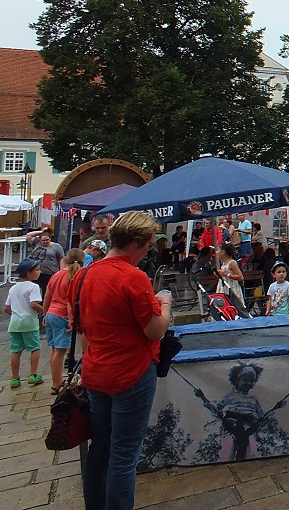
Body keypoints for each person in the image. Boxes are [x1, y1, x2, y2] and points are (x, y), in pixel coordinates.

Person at [70, 210, 171, 510]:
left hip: (96, 371)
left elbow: (82, 328)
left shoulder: (84, 274)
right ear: (137, 243)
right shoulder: (134, 277)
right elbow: (154, 330)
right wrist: (165, 305)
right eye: (149, 244)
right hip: (132, 373)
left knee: (100, 448)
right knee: (124, 454)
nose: (149, 250)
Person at [43, 248, 83, 394]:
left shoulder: (56, 275)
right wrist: (72, 320)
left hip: (51, 314)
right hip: (62, 316)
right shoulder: (74, 276)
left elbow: (47, 296)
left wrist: (44, 314)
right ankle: (56, 384)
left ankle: (57, 378)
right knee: (60, 352)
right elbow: (69, 302)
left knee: (54, 350)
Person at [5, 259, 45, 388]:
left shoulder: (13, 288)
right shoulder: (33, 287)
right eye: (37, 270)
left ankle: (15, 378)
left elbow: (6, 308)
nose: (40, 272)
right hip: (29, 322)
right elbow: (33, 304)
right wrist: (45, 311)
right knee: (34, 348)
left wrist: (16, 314)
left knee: (15, 350)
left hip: (15, 323)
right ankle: (33, 375)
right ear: (29, 273)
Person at [26, 226, 64, 298]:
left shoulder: (56, 246)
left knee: (46, 294)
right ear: (40, 239)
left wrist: (61, 271)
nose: (45, 242)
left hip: (49, 273)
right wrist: (41, 232)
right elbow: (28, 235)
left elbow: (61, 258)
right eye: (43, 240)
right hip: (36, 272)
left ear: (50, 239)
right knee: (34, 292)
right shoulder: (37, 243)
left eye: (47, 240)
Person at [215, 243, 245, 308]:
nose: (216, 252)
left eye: (218, 250)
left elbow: (241, 277)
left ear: (223, 252)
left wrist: (228, 275)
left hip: (231, 286)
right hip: (223, 286)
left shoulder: (232, 263)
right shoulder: (223, 263)